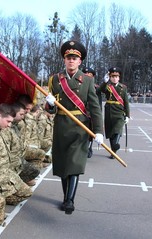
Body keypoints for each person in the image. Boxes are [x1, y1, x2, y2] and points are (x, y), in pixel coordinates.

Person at [45, 40, 103, 214]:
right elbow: (51, 110)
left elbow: (95, 108)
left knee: (74, 164)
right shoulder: (55, 80)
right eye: (68, 57)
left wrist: (99, 131)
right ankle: (65, 197)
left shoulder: (87, 81)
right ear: (64, 60)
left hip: (80, 128)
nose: (71, 61)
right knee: (63, 166)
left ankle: (70, 200)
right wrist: (50, 104)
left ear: (80, 62)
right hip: (62, 126)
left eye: (74, 58)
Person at [99, 67, 130, 159]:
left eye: (116, 76)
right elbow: (100, 90)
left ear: (119, 78)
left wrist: (127, 115)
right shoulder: (107, 86)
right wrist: (104, 82)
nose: (114, 78)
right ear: (110, 77)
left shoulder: (123, 87)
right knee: (111, 133)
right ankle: (113, 151)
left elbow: (126, 102)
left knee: (117, 130)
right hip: (109, 111)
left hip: (119, 112)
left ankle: (115, 145)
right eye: (112, 76)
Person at [82, 67, 102, 158]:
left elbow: (97, 104)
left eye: (89, 76)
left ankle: (89, 147)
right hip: (81, 113)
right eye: (85, 75)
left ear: (92, 77)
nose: (87, 77)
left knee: (90, 133)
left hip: (91, 114)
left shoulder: (96, 88)